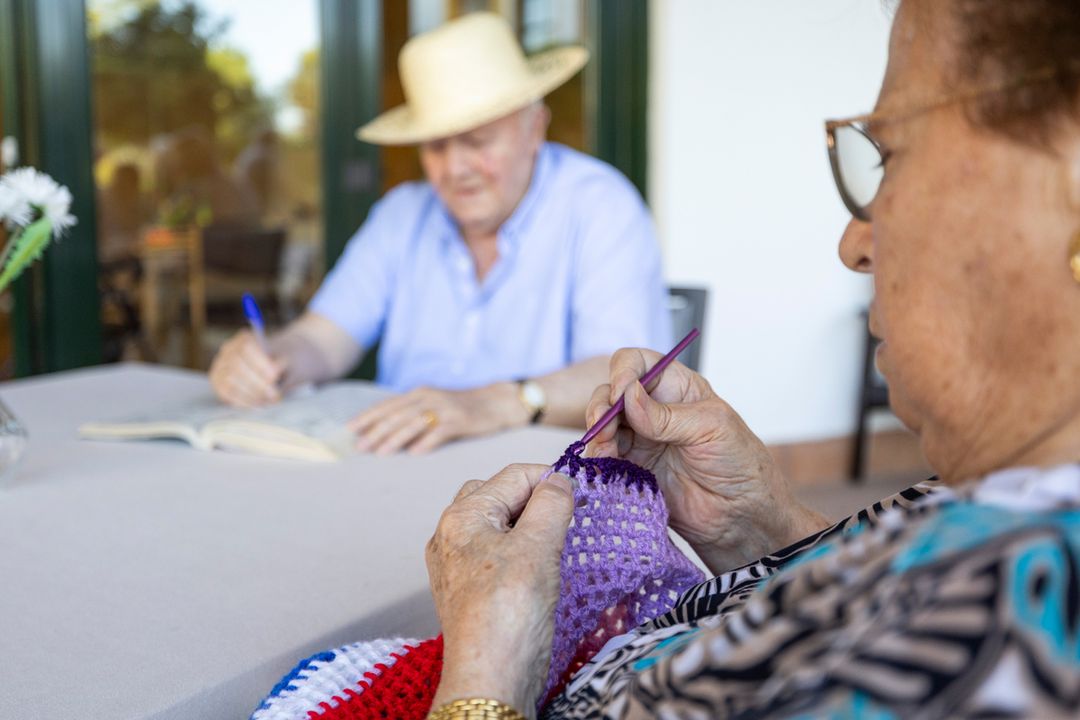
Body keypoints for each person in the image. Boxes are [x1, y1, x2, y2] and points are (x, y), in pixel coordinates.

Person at [423, 1, 1080, 717]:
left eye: (887, 157)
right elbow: (853, 606)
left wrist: (483, 681)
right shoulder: (1010, 502)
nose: (853, 245)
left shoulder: (1012, 629)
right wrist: (758, 525)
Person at [208, 13, 670, 455]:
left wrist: (493, 403)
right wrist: (270, 361)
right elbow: (324, 338)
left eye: (478, 139)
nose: (455, 168)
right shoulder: (400, 214)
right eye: (436, 145)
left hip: (548, 485)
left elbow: (625, 378)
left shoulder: (601, 206)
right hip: (398, 468)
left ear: (534, 128)